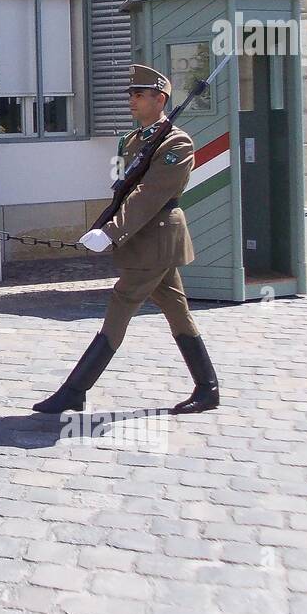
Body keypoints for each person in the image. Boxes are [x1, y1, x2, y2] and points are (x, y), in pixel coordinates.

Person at [32, 64, 219, 417]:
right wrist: (106, 221)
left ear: (159, 99)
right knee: (178, 312)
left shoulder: (177, 142)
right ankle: (207, 388)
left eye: (139, 94)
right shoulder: (131, 141)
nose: (131, 100)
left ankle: (75, 389)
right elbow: (122, 189)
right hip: (141, 239)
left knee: (120, 306)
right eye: (130, 94)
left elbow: (150, 194)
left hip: (157, 239)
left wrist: (111, 231)